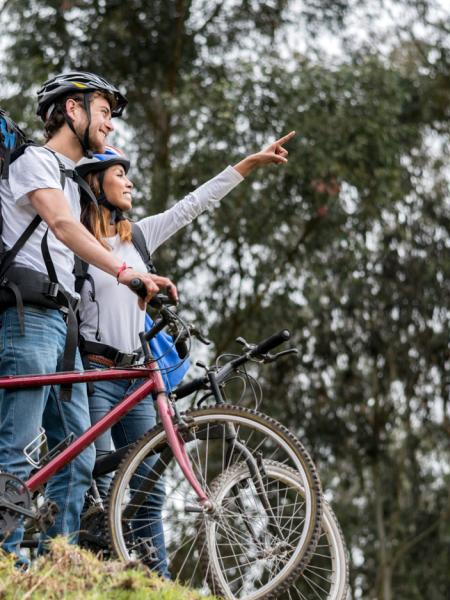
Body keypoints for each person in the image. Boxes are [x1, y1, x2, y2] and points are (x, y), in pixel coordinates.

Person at [73, 132, 295, 576]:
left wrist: (247, 164)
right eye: (120, 174)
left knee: (150, 489)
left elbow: (193, 205)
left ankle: (157, 583)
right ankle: (88, 576)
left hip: (137, 379)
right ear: (96, 183)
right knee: (94, 488)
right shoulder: (73, 239)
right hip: (93, 378)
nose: (130, 183)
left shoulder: (138, 237)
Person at [0, 71, 176, 560]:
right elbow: (65, 228)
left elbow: (80, 233)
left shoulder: (70, 181)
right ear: (73, 110)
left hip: (57, 324)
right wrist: (128, 273)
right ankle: (4, 561)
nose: (109, 126)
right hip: (26, 317)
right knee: (20, 445)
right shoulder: (35, 161)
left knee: (78, 453)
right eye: (105, 113)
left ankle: (60, 561)